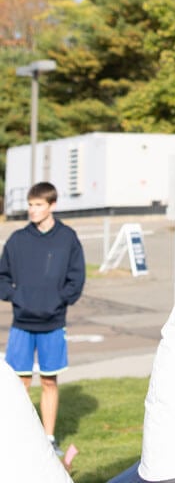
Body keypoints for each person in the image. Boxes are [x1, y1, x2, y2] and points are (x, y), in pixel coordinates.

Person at [0, 182, 86, 458]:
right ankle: (18, 437)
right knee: (20, 383)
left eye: (38, 205)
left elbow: (77, 278)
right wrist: (17, 297)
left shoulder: (67, 238)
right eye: (30, 204)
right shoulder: (18, 240)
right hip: (22, 323)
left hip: (52, 323)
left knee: (49, 381)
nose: (32, 210)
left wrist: (57, 300)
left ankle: (48, 439)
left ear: (52, 206)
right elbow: (2, 277)